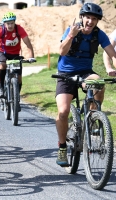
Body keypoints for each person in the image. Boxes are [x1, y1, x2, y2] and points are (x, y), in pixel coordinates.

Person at [54, 3, 116, 166]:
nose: (90, 21)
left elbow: (112, 54)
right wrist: (71, 36)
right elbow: (61, 51)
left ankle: (93, 118)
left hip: (85, 72)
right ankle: (62, 147)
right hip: (65, 74)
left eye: (94, 19)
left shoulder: (99, 34)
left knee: (99, 82)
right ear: (82, 17)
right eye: (88, 17)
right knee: (63, 111)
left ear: (97, 21)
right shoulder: (71, 30)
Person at [0, 12, 35, 98]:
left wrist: (31, 57)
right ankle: (1, 87)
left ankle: (16, 97)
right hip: (2, 52)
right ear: (4, 23)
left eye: (12, 23)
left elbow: (28, 43)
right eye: (8, 23)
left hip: (15, 53)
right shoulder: (1, 30)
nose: (10, 25)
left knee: (19, 78)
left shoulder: (19, 29)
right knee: (3, 64)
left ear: (14, 22)